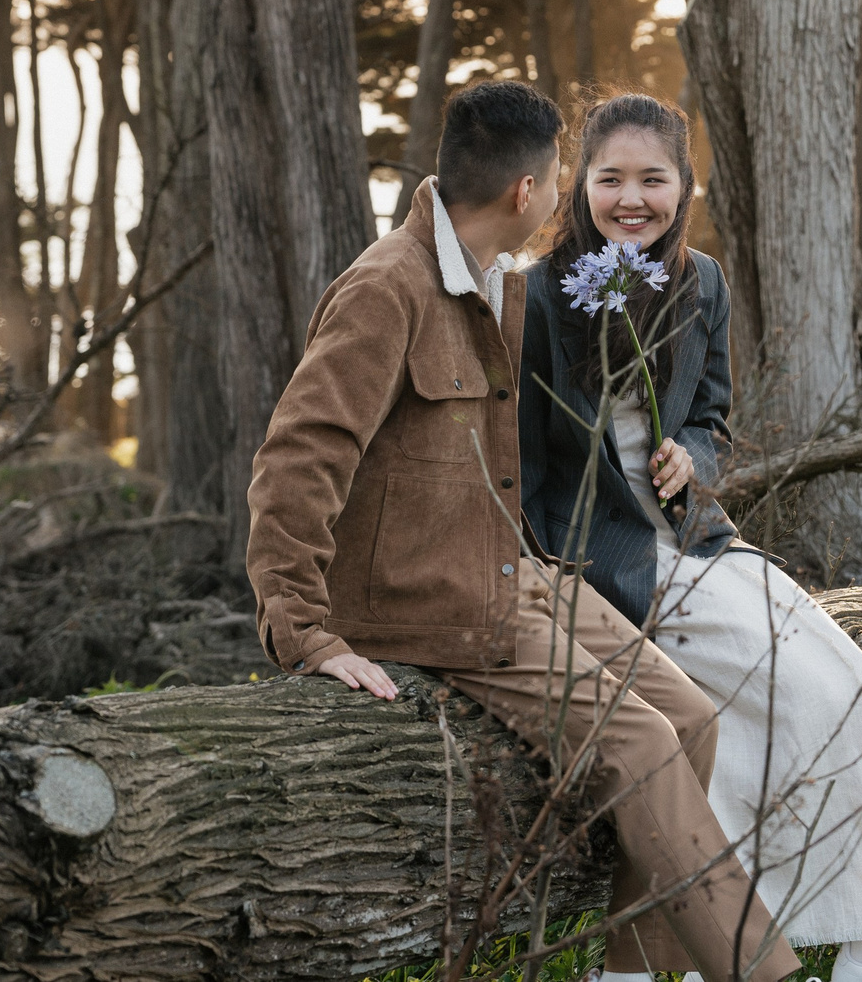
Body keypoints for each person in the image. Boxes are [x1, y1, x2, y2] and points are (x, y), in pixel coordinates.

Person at [246, 80, 806, 982]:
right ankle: (767, 973)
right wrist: (305, 631)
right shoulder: (388, 289)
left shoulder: (493, 283)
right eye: (560, 178)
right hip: (431, 599)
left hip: (513, 566)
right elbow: (295, 459)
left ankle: (623, 974)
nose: (563, 197)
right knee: (643, 742)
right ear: (526, 192)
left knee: (693, 719)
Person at [519, 92, 862, 982]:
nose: (632, 199)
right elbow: (521, 461)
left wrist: (690, 458)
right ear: (579, 187)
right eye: (610, 179)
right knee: (763, 697)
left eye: (653, 179)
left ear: (685, 184)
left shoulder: (701, 281)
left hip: (699, 538)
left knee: (851, 683)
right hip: (601, 557)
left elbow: (710, 415)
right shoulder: (539, 295)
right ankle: (682, 954)